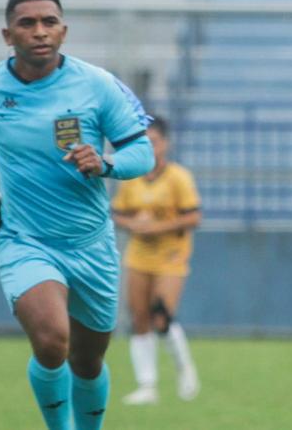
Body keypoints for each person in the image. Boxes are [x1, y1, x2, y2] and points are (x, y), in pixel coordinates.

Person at [0, 0, 154, 430]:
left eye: (48, 22)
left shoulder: (97, 84)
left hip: (91, 242)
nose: (39, 32)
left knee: (87, 361)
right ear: (8, 35)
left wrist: (106, 163)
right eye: (27, 23)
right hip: (24, 237)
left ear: (63, 31)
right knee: (51, 342)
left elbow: (142, 153)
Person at [111, 116, 202, 404]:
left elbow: (193, 216)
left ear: (165, 143)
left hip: (171, 255)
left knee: (161, 315)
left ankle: (184, 368)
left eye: (155, 142)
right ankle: (147, 385)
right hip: (139, 254)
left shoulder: (178, 177)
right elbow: (117, 213)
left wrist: (156, 227)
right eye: (145, 143)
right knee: (139, 317)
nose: (150, 148)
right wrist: (134, 224)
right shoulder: (132, 178)